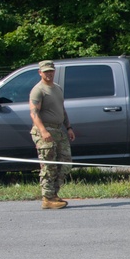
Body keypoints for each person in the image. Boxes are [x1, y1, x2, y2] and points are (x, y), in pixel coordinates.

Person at [29, 60, 76, 209]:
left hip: (58, 130)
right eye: (45, 71)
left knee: (65, 162)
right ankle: (47, 198)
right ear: (40, 73)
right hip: (45, 130)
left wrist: (68, 127)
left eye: (51, 71)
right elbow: (34, 113)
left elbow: (62, 109)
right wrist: (43, 131)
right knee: (49, 165)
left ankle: (54, 194)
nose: (49, 74)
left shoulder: (57, 89)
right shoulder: (38, 90)